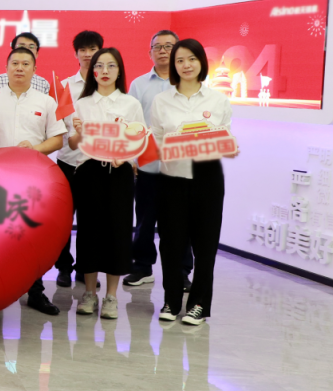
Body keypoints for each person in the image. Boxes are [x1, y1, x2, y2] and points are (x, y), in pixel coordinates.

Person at [0, 47, 65, 315]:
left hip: (33, 178)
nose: (19, 68)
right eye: (15, 63)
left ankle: (35, 291)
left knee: (31, 236)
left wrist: (35, 149)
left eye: (25, 64)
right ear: (6, 68)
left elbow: (58, 139)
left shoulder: (46, 102)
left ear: (34, 70)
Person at [150, 39, 237, 325]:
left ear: (201, 62)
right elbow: (157, 141)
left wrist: (223, 145)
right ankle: (171, 301)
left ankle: (199, 303)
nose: (186, 65)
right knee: (171, 245)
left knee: (205, 245)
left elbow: (223, 137)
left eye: (191, 59)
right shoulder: (161, 101)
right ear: (173, 65)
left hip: (206, 177)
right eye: (180, 60)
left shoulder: (218, 100)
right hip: (172, 178)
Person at [66, 48, 143, 320]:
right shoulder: (82, 103)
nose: (105, 71)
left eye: (111, 66)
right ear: (93, 71)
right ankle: (89, 293)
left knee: (118, 232)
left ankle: (111, 296)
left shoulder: (130, 103)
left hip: (120, 173)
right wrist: (78, 133)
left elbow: (139, 140)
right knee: (88, 231)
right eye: (99, 66)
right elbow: (72, 144)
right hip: (89, 172)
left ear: (119, 71)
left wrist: (127, 157)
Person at [125, 30, 194, 290]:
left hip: (180, 166)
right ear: (150, 52)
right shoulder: (139, 84)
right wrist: (132, 157)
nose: (163, 51)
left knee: (180, 223)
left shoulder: (189, 82)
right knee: (144, 220)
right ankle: (142, 267)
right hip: (147, 164)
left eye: (169, 46)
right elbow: (131, 124)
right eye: (158, 47)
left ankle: (181, 272)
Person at [53, 30, 103, 288]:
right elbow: (57, 124)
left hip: (96, 162)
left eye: (92, 49)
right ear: (75, 53)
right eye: (82, 50)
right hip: (68, 161)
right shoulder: (64, 86)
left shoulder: (106, 85)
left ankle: (86, 268)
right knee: (63, 219)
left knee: (91, 220)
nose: (87, 54)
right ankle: (63, 267)